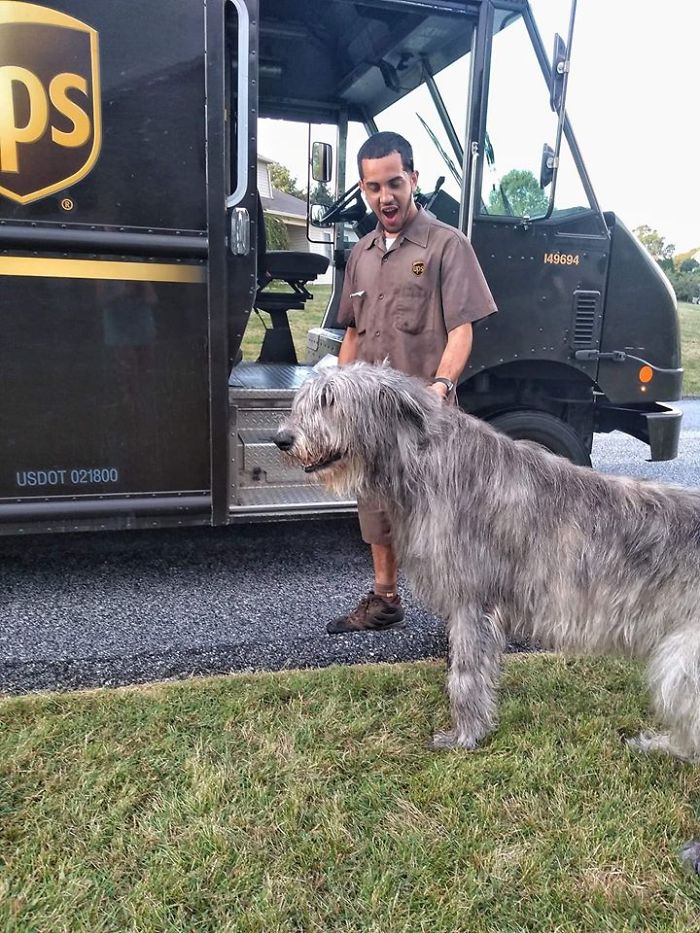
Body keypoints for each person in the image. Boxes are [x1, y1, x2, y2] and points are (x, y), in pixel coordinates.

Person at [327, 131, 497, 635]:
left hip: (426, 414)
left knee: (442, 518)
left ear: (414, 179)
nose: (386, 197)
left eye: (395, 183)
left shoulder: (447, 245)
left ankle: (466, 614)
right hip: (371, 417)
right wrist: (337, 399)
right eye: (374, 187)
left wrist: (440, 389)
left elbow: (461, 330)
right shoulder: (359, 253)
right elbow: (354, 335)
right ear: (363, 189)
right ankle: (385, 599)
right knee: (376, 506)